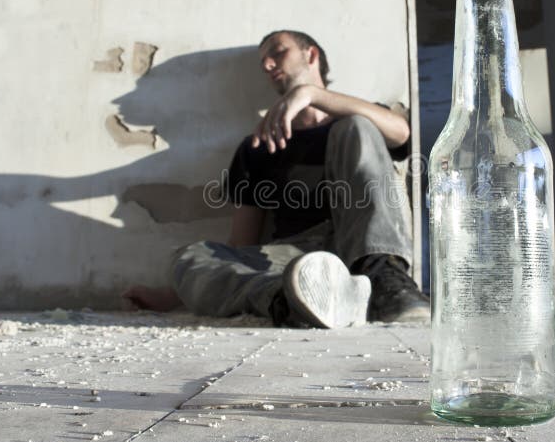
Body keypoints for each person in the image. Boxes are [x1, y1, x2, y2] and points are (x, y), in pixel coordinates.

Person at [123, 30, 429, 328]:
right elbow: (242, 244)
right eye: (263, 62)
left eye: (278, 52)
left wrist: (310, 94)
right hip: (295, 258)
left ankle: (386, 283)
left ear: (311, 55)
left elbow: (401, 132)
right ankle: (293, 300)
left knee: (355, 126)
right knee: (190, 256)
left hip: (358, 244)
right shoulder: (258, 145)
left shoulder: (361, 121)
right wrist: (182, 288)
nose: (269, 65)